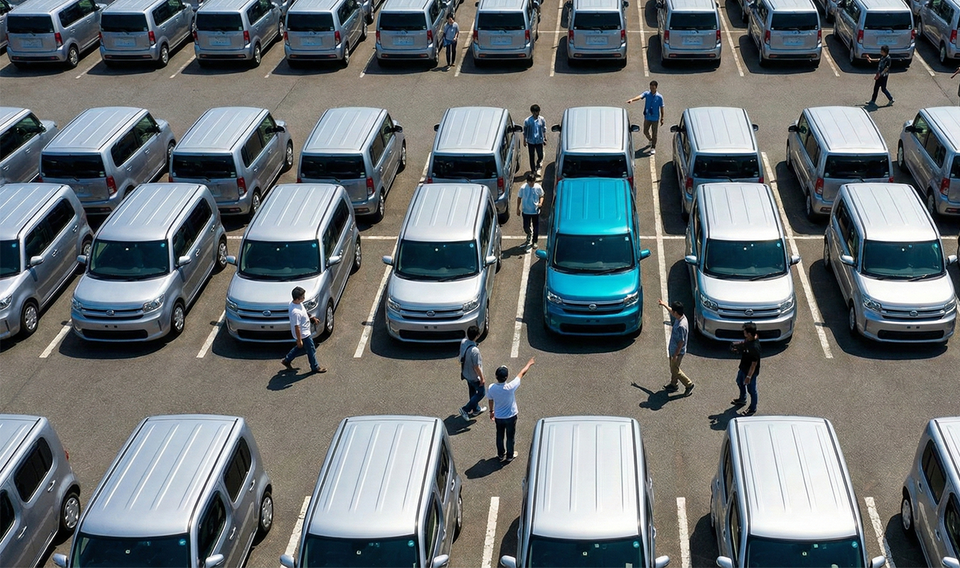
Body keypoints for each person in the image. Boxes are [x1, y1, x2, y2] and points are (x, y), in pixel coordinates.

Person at [487, 357, 535, 463]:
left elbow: (490, 400)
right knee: (510, 437)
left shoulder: (491, 388)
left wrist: (491, 412)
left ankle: (500, 454)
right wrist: (529, 363)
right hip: (511, 416)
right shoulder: (510, 386)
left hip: (499, 417)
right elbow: (522, 373)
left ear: (496, 376)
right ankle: (509, 455)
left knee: (499, 436)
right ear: (507, 377)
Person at [281, 286, 326, 374]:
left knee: (299, 347)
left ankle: (287, 360)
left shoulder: (295, 303)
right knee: (311, 349)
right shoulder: (295, 312)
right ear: (297, 299)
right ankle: (315, 367)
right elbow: (296, 326)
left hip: (304, 332)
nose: (304, 298)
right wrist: (299, 340)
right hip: (303, 334)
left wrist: (312, 318)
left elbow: (304, 312)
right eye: (302, 297)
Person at [658, 299, 694, 395]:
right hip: (673, 349)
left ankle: (689, 384)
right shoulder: (680, 317)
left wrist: (675, 355)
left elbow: (681, 342)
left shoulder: (682, 326)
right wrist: (664, 304)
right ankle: (673, 384)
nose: (672, 312)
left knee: (675, 370)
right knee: (673, 368)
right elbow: (671, 311)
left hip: (677, 352)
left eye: (673, 311)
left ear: (676, 312)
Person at [730, 322, 761, 416]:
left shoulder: (755, 347)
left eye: (745, 332)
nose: (744, 334)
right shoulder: (750, 339)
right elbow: (745, 344)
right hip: (743, 367)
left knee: (752, 390)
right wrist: (737, 347)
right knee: (739, 381)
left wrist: (748, 376)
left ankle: (752, 408)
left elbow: (754, 364)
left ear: (750, 334)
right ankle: (742, 399)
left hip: (750, 372)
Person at [626, 80, 665, 155]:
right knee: (645, 131)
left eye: (653, 88)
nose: (651, 89)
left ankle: (653, 147)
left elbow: (662, 107)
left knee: (655, 133)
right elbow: (639, 96)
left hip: (655, 118)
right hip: (647, 117)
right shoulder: (647, 94)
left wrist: (662, 118)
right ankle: (651, 140)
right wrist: (632, 100)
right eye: (650, 88)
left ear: (656, 87)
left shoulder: (659, 97)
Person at [458, 325, 487, 420]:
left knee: (472, 391)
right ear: (477, 336)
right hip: (474, 377)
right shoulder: (475, 351)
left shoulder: (463, 342)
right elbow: (476, 367)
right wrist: (482, 378)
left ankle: (476, 409)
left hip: (466, 373)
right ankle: (465, 409)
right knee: (481, 393)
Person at [516, 172, 544, 250]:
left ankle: (534, 241)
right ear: (527, 181)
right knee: (526, 226)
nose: (531, 183)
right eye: (530, 182)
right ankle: (529, 233)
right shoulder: (523, 188)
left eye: (533, 182)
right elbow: (519, 198)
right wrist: (517, 208)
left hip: (535, 211)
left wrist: (540, 203)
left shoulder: (538, 187)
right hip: (526, 211)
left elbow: (541, 195)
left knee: (536, 227)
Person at [523, 104, 547, 175]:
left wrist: (545, 138)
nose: (537, 113)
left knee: (540, 155)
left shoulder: (542, 119)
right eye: (536, 112)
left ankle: (538, 163)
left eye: (538, 111)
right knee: (531, 156)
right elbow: (525, 131)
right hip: (531, 141)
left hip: (539, 141)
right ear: (532, 112)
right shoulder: (528, 121)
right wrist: (524, 140)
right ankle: (533, 170)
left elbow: (544, 129)